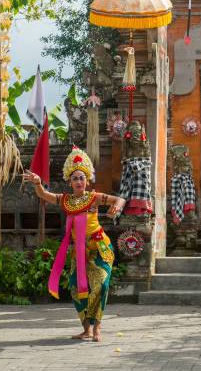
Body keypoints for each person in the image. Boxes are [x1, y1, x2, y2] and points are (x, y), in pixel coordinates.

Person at [23, 145, 126, 342]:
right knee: (76, 288)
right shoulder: (66, 200)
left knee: (101, 285)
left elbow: (119, 199)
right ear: (70, 181)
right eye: (75, 178)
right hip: (79, 252)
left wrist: (117, 208)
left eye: (82, 178)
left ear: (87, 180)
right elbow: (45, 195)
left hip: (99, 248)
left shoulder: (94, 198)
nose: (79, 181)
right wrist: (37, 183)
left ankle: (97, 328)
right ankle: (86, 329)